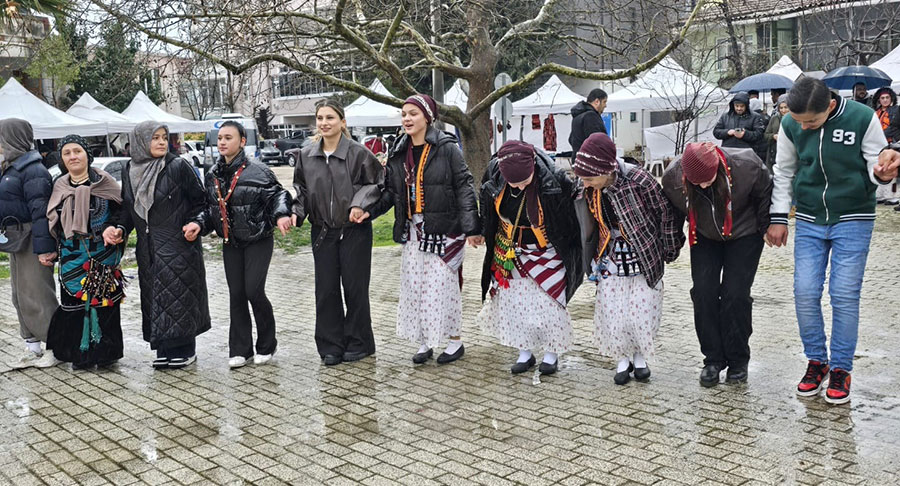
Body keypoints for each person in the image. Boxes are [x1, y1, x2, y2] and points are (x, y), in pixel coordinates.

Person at [766, 77, 899, 404]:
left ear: (829, 105)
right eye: (799, 122)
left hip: (854, 215)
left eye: (811, 121)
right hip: (810, 217)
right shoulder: (789, 123)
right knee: (805, 290)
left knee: (843, 293)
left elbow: (875, 162)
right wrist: (778, 217)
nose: (805, 128)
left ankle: (841, 367)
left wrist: (882, 172)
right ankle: (817, 360)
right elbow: (783, 171)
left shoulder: (861, 118)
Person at [368, 94, 480, 365]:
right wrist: (366, 212)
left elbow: (464, 186)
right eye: (404, 114)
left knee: (443, 286)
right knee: (415, 286)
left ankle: (455, 341)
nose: (407, 118)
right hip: (414, 230)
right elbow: (391, 192)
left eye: (413, 114)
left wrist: (472, 227)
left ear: (428, 117)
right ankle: (425, 341)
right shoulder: (398, 151)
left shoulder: (446, 147)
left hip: (444, 229)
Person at [573, 133, 683, 385]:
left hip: (644, 254)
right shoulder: (586, 186)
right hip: (609, 255)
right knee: (614, 311)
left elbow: (666, 214)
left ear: (608, 169)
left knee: (641, 310)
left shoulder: (639, 180)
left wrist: (670, 248)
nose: (585, 183)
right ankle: (622, 359)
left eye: (590, 178)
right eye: (583, 179)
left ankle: (640, 357)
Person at [662, 142, 772, 387]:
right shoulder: (672, 179)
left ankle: (737, 360)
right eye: (696, 183)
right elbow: (672, 215)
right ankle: (712, 359)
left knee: (735, 294)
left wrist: (768, 226)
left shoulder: (748, 165)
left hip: (744, 232)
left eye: (708, 180)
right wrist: (671, 246)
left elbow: (765, 193)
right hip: (703, 234)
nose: (702, 186)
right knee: (703, 292)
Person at [106, 121, 211, 369]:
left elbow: (202, 203)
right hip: (148, 249)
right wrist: (120, 228)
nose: (162, 142)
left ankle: (185, 350)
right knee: (155, 299)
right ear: (141, 142)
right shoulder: (129, 170)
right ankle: (163, 349)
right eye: (155, 138)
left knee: (180, 299)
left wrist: (197, 223)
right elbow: (128, 209)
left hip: (179, 245)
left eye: (164, 137)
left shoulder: (177, 166)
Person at [477, 141, 582, 375]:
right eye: (513, 183)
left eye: (524, 181)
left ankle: (551, 353)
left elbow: (571, 224)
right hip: (510, 248)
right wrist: (481, 231)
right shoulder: (494, 173)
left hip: (548, 248)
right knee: (515, 303)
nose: (519, 186)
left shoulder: (556, 181)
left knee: (550, 304)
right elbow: (486, 206)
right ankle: (524, 352)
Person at [292, 100, 383, 366]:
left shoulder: (359, 153)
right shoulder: (306, 155)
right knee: (326, 290)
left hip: (354, 231)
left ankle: (359, 342)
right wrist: (296, 214)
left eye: (330, 117)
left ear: (342, 122)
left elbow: (376, 183)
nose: (324, 123)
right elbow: (302, 191)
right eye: (320, 118)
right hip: (322, 232)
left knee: (355, 289)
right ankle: (330, 345)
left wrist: (360, 204)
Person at [200, 121, 292, 368]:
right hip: (231, 241)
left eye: (228, 138)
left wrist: (281, 214)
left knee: (253, 290)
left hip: (258, 239)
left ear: (242, 141)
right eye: (219, 138)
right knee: (236, 294)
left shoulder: (259, 171)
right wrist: (198, 225)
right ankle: (241, 349)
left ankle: (267, 344)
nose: (222, 142)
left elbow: (278, 196)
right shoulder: (212, 175)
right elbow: (209, 209)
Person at [45, 135, 126, 369]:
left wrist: (115, 227)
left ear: (87, 154)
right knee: (74, 308)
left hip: (100, 255)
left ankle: (103, 355)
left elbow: (121, 212)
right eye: (67, 153)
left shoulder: (105, 182)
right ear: (62, 159)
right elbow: (50, 220)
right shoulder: (58, 186)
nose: (73, 156)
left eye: (77, 151)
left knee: (101, 307)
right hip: (71, 257)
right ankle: (80, 356)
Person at [0, 118, 60, 369]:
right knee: (19, 295)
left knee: (38, 293)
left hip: (32, 238)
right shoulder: (10, 167)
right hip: (15, 239)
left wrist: (45, 247)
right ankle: (32, 346)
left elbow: (41, 213)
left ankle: (55, 346)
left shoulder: (32, 169)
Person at [569, 88, 608, 154]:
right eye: (604, 102)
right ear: (597, 101)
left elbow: (571, 139)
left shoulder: (578, 115)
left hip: (578, 158)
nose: (605, 105)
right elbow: (596, 142)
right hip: (591, 160)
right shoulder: (591, 116)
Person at [763, 94, 790, 174]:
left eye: (786, 107)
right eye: (781, 108)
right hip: (774, 151)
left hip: (788, 151)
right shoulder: (774, 118)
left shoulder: (795, 119)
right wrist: (773, 136)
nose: (783, 110)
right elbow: (766, 134)